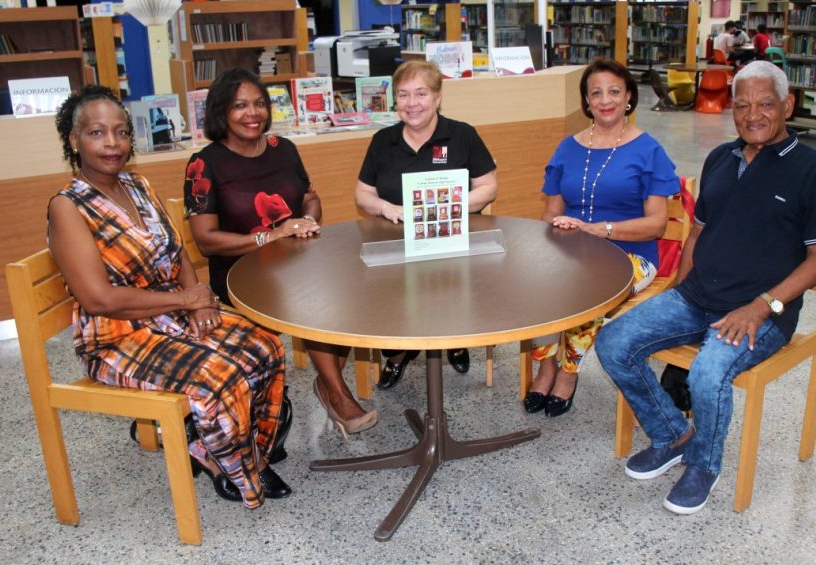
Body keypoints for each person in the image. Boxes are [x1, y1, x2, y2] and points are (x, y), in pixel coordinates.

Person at [596, 61, 816, 515]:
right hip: (697, 297)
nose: (753, 115)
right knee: (612, 341)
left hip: (762, 311)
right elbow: (697, 233)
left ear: (787, 105)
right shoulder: (720, 159)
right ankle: (673, 433)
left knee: (709, 373)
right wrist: (677, 288)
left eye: (766, 104)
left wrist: (762, 306)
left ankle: (703, 464)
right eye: (742, 104)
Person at [48, 85, 291, 509]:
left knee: (264, 345)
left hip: (169, 315)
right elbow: (99, 299)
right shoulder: (68, 207)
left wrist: (198, 299)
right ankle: (227, 463)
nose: (112, 143)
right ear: (74, 140)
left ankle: (243, 451)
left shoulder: (137, 185)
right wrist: (187, 302)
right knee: (218, 374)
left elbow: (176, 251)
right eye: (97, 133)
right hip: (115, 337)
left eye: (121, 133)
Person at [184, 68, 377, 438]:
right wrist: (270, 237)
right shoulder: (204, 163)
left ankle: (328, 383)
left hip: (297, 262)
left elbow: (310, 198)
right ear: (221, 111)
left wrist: (305, 219)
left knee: (353, 287)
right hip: (241, 277)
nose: (252, 113)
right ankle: (337, 392)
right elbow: (206, 240)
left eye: (259, 104)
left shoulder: (283, 149)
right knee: (315, 301)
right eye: (240, 105)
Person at [523, 58, 680, 417]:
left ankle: (568, 370)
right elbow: (550, 212)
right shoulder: (568, 147)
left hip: (630, 254)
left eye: (614, 91)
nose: (605, 99)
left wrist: (600, 230)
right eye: (596, 93)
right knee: (537, 278)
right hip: (572, 248)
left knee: (588, 285)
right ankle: (546, 365)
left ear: (628, 98)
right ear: (586, 101)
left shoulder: (648, 150)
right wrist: (542, 246)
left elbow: (657, 224)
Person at [355, 60, 498, 387]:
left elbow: (489, 188)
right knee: (383, 289)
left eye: (421, 93)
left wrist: (450, 208)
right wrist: (387, 208)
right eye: (403, 95)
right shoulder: (383, 140)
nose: (411, 103)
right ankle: (399, 352)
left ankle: (454, 338)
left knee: (450, 283)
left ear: (437, 97)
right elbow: (363, 194)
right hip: (397, 239)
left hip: (452, 239)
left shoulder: (463, 135)